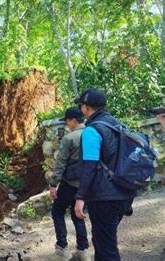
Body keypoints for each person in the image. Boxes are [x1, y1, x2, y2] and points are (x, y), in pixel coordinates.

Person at [73, 88, 136, 260]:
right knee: (103, 242)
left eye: (81, 105)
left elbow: (89, 166)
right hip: (124, 193)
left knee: (106, 247)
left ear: (85, 107)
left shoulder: (92, 131)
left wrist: (80, 197)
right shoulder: (118, 125)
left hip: (104, 197)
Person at [49, 107, 90, 260]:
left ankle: (62, 249)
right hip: (86, 185)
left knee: (57, 211)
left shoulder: (69, 138)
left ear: (73, 120)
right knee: (78, 214)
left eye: (67, 121)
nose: (67, 125)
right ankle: (83, 250)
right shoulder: (92, 134)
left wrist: (53, 184)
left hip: (70, 184)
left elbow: (60, 163)